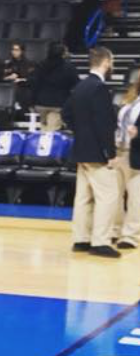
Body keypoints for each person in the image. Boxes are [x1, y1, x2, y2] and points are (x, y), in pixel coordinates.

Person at [63, 46, 120, 257]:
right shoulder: (99, 88)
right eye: (111, 61)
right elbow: (104, 124)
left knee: (83, 197)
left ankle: (81, 239)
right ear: (106, 62)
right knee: (108, 196)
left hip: (81, 150)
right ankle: (100, 242)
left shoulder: (80, 86)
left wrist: (81, 132)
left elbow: (66, 113)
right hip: (96, 152)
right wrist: (110, 153)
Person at [112, 71, 140, 250]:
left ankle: (131, 235)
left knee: (136, 197)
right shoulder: (130, 99)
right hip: (120, 151)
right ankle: (115, 230)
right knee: (115, 195)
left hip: (136, 153)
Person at [30, 42, 79, 131]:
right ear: (63, 54)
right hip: (58, 103)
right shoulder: (69, 67)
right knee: (51, 131)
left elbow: (34, 84)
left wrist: (32, 102)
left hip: (41, 103)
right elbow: (76, 84)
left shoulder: (41, 65)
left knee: (44, 129)